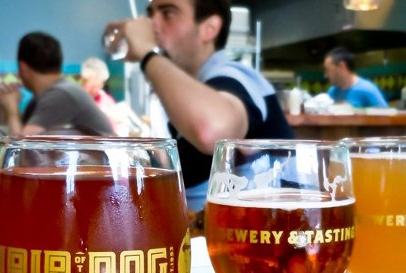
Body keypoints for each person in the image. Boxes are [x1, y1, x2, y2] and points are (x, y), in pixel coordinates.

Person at [105, 0, 293, 211]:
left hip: (269, 225)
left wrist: (147, 54)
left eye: (167, 13)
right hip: (211, 224)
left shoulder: (234, 77)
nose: (152, 24)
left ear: (209, 29)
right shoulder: (194, 90)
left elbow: (212, 131)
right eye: (150, 14)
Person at [0, 32, 114, 136]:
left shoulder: (61, 95)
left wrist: (12, 110)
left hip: (105, 155)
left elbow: (21, 149)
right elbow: (3, 141)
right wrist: (5, 109)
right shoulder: (41, 100)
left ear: (23, 68)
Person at [323, 46, 388, 108]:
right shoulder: (332, 91)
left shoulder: (367, 90)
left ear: (341, 66)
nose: (325, 75)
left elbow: (386, 115)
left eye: (328, 70)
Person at [80, 57, 119, 130]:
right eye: (93, 85)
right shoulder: (76, 99)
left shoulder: (107, 101)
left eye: (101, 83)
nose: (101, 86)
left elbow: (114, 127)